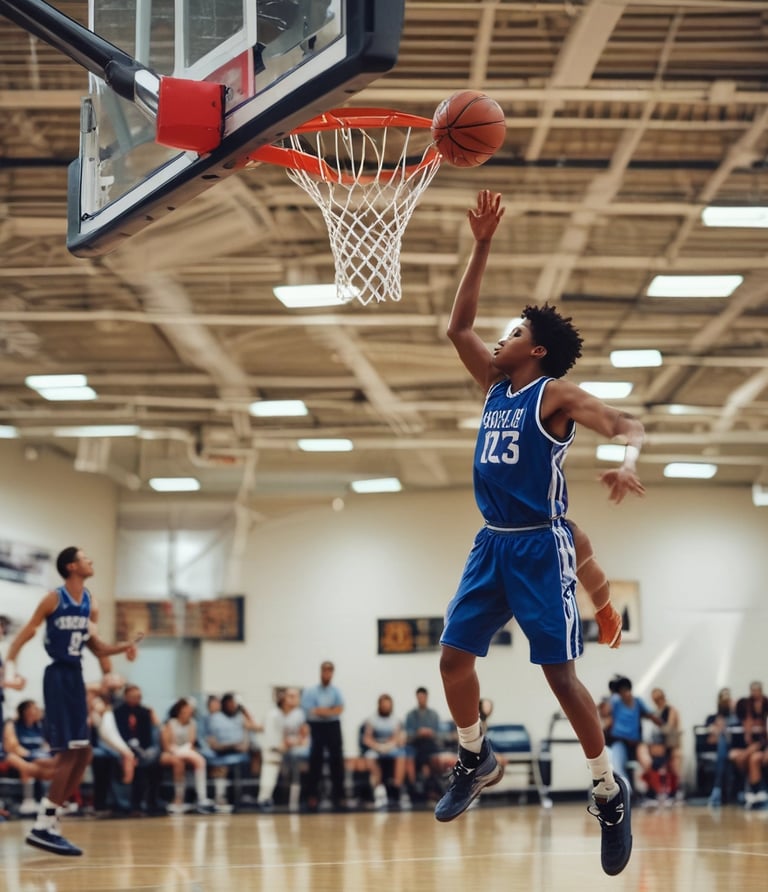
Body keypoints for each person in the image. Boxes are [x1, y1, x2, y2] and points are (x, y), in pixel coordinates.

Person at [434, 190, 645, 877]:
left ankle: (608, 792)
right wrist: (483, 244)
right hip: (491, 540)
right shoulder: (495, 388)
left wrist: (627, 461)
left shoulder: (553, 396)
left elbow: (628, 424)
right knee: (452, 662)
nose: (499, 337)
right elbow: (456, 327)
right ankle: (476, 754)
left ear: (539, 350)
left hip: (539, 543)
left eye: (513, 331)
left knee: (560, 675)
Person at [4, 546, 141, 855]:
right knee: (70, 753)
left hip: (75, 676)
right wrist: (11, 667)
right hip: (58, 677)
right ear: (71, 566)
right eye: (84, 557)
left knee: (84, 752)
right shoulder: (54, 598)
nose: (90, 560)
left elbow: (97, 646)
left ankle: (50, 819)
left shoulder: (90, 602)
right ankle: (44, 823)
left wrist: (124, 648)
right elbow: (23, 635)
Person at [605, 676, 661, 800]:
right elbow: (604, 711)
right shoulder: (615, 702)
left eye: (626, 689)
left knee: (647, 762)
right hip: (619, 741)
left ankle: (653, 792)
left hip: (636, 742)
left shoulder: (638, 702)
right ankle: (628, 794)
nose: (625, 693)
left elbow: (652, 715)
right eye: (621, 691)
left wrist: (661, 723)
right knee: (618, 766)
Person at [301, 660, 347, 812]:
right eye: (324, 671)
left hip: (333, 727)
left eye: (330, 671)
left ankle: (339, 796)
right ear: (321, 672)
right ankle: (313, 796)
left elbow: (339, 709)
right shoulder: (311, 691)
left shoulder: (336, 691)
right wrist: (329, 711)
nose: (327, 673)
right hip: (317, 727)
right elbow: (311, 711)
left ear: (332, 673)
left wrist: (324, 711)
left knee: (337, 761)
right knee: (315, 761)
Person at [113, 684, 163, 815]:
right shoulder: (117, 712)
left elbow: (151, 735)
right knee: (129, 766)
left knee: (155, 765)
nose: (137, 699)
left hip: (143, 749)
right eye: (133, 696)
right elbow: (118, 734)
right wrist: (129, 751)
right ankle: (128, 805)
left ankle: (151, 803)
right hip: (123, 748)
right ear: (126, 696)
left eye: (139, 696)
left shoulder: (146, 712)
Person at [257, 686, 310, 810]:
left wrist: (296, 741)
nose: (294, 700)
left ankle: (301, 800)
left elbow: (304, 735)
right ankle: (264, 798)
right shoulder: (273, 714)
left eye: (296, 697)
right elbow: (272, 742)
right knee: (271, 762)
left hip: (294, 751)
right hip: (275, 750)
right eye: (290, 696)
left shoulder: (300, 714)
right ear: (283, 698)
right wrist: (283, 745)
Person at [161, 697, 217, 814]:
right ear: (179, 711)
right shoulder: (170, 724)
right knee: (178, 763)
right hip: (171, 752)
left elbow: (191, 743)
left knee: (200, 761)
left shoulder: (192, 723)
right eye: (185, 710)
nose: (188, 713)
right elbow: (166, 745)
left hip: (186, 751)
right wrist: (177, 752)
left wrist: (184, 751)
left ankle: (202, 798)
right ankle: (178, 799)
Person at [2, 699, 56, 815]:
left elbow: (45, 745)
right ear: (26, 711)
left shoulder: (39, 726)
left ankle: (51, 801)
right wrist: (31, 755)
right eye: (35, 708)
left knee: (57, 763)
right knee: (30, 766)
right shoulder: (14, 725)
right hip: (23, 756)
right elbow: (13, 746)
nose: (38, 711)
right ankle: (29, 801)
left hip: (38, 756)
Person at [361, 693, 408, 809]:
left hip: (391, 747)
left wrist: (389, 746)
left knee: (401, 755)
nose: (386, 707)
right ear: (379, 706)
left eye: (388, 705)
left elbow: (397, 737)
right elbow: (367, 738)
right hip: (376, 747)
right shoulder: (372, 719)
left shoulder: (395, 720)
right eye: (384, 705)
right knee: (370, 757)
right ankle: (379, 789)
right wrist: (378, 746)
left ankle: (396, 789)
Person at [703, 687, 741, 807]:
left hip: (734, 750)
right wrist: (718, 729)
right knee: (723, 745)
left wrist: (735, 710)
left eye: (728, 699)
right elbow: (709, 741)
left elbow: (740, 739)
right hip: (719, 751)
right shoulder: (712, 719)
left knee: (725, 752)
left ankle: (718, 789)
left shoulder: (737, 718)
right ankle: (724, 792)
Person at [404, 687, 442, 801]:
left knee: (427, 746)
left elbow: (438, 733)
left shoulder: (434, 715)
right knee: (422, 749)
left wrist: (430, 733)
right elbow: (408, 735)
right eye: (419, 697)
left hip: (430, 744)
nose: (421, 699)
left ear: (426, 697)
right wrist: (418, 733)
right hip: (416, 744)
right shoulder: (410, 715)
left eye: (423, 697)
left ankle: (424, 786)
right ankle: (427, 785)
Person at [734, 680, 768, 807]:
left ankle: (752, 790)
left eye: (757, 690)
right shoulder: (747, 706)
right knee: (751, 758)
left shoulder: (766, 704)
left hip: (763, 744)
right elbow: (747, 725)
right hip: (756, 745)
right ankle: (755, 792)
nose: (755, 693)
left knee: (748, 755)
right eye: (752, 691)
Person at [649, 687, 683, 801]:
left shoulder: (670, 710)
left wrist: (658, 723)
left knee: (671, 767)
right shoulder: (656, 712)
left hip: (669, 745)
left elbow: (669, 729)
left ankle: (673, 792)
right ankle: (655, 792)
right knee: (654, 766)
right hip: (659, 745)